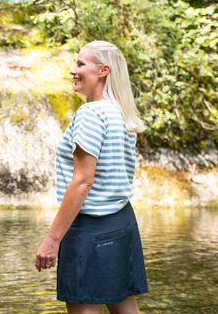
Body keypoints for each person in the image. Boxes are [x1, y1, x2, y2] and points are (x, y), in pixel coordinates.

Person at [34, 40, 148, 314]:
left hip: (89, 227)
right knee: (124, 306)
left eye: (81, 64)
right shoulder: (120, 113)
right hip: (121, 221)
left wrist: (52, 240)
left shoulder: (91, 113)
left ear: (103, 70)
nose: (73, 70)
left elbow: (83, 181)